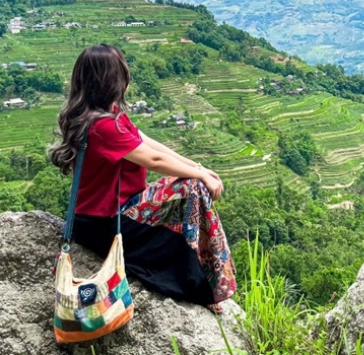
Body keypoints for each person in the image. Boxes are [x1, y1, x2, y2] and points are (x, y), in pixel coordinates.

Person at [49, 43, 236, 312]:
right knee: (193, 188)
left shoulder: (109, 118)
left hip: (108, 213)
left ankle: (198, 276)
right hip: (103, 223)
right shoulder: (104, 127)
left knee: (193, 183)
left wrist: (199, 168)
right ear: (113, 80)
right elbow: (154, 160)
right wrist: (199, 176)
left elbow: (152, 145)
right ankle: (199, 282)